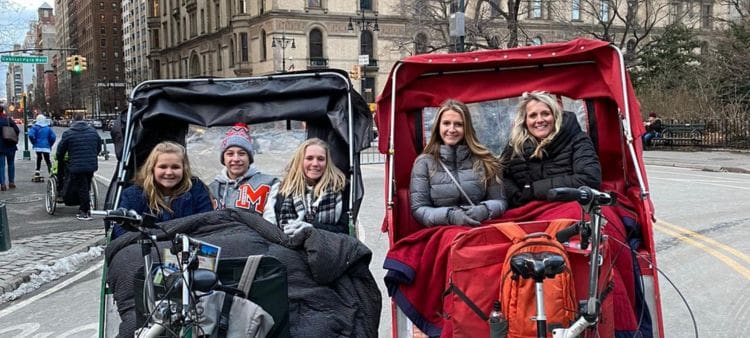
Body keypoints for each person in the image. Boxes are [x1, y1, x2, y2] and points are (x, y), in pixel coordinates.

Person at [410, 99, 507, 227]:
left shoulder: (485, 160)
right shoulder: (424, 163)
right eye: (446, 123)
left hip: (478, 226)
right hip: (443, 229)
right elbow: (419, 208)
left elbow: (500, 201)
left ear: (466, 128)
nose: (452, 129)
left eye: (458, 124)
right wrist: (449, 216)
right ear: (438, 126)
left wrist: (484, 210)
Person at [501, 91, 602, 208]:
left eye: (545, 114)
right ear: (525, 121)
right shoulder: (515, 146)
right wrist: (515, 194)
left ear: (555, 116)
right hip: (527, 208)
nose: (539, 120)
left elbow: (589, 178)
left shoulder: (577, 139)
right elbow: (501, 177)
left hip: (568, 205)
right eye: (533, 115)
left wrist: (534, 190)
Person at [113, 141, 213, 239]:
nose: (169, 172)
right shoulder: (134, 195)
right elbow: (121, 230)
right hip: (147, 250)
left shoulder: (197, 190)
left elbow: (207, 222)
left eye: (175, 167)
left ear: (184, 169)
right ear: (152, 169)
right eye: (163, 167)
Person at [276, 138, 349, 237]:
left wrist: (312, 228)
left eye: (321, 159)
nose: (315, 164)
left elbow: (345, 230)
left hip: (329, 246)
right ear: (300, 161)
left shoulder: (340, 187)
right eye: (309, 158)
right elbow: (277, 229)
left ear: (327, 162)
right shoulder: (285, 189)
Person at [209, 123, 280, 224]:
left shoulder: (270, 183)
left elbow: (271, 221)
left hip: (256, 237)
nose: (236, 159)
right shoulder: (212, 188)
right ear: (223, 159)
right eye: (230, 154)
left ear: (249, 158)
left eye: (242, 153)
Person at [56, 113, 102, 220]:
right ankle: (87, 205)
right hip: (91, 164)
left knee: (82, 187)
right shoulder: (93, 131)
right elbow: (98, 146)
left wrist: (60, 158)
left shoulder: (69, 133)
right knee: (87, 184)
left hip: (76, 165)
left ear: (73, 121)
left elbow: (61, 150)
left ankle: (84, 211)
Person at [0, 105, 19, 191]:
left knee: (1, 166)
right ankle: (11, 182)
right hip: (10, 145)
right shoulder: (8, 119)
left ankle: (3, 184)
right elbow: (17, 130)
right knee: (11, 164)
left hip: (0, 147)